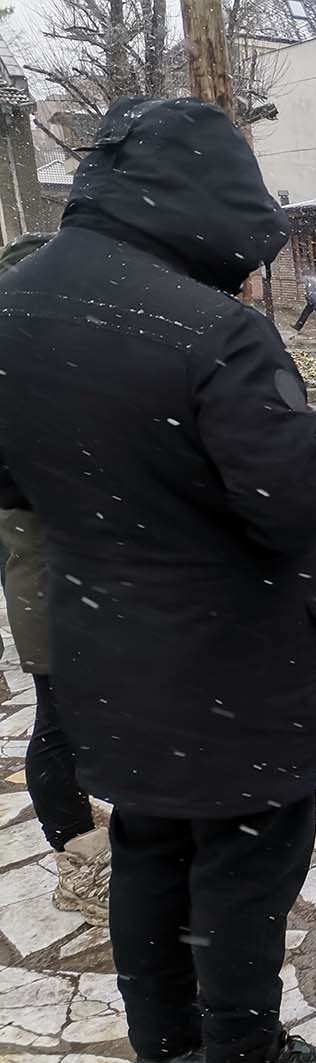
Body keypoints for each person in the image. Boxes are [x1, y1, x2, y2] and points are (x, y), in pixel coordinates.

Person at [0, 98, 316, 1063]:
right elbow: (307, 506)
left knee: (150, 847)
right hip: (230, 669)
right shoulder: (212, 331)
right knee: (245, 871)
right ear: (206, 199)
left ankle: (164, 1042)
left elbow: (12, 482)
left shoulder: (14, 306)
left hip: (101, 652)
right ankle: (242, 1049)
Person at [0, 232, 110, 926]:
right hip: (47, 569)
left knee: (77, 714)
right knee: (60, 719)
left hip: (63, 566)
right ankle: (77, 858)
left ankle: (86, 826)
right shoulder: (21, 377)